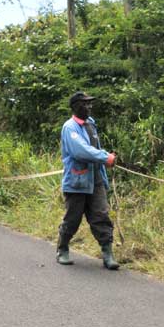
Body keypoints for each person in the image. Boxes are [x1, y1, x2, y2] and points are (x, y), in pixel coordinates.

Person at [56, 91, 119, 270]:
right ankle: (62, 249)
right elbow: (80, 151)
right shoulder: (70, 128)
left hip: (96, 180)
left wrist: (105, 157)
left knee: (101, 216)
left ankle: (108, 254)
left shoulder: (91, 124)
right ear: (75, 107)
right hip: (77, 181)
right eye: (85, 104)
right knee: (73, 218)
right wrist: (104, 157)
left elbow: (94, 148)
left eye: (90, 103)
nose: (89, 107)